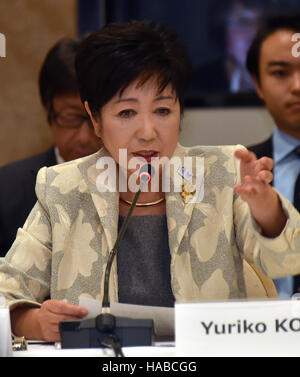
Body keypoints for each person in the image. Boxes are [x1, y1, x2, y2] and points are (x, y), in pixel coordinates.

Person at [0, 20, 300, 342]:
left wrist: (268, 211)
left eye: (162, 110)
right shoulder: (64, 188)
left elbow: (288, 260)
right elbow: (6, 290)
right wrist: (30, 321)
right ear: (95, 119)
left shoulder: (221, 173)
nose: (148, 131)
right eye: (127, 113)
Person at [0, 38, 103, 257]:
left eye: (95, 119)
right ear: (49, 111)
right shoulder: (6, 189)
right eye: (70, 118)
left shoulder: (138, 188)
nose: (85, 137)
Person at [247, 13, 300, 297]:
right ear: (257, 84)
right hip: (258, 334)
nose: (297, 86)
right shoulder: (238, 172)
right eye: (280, 73)